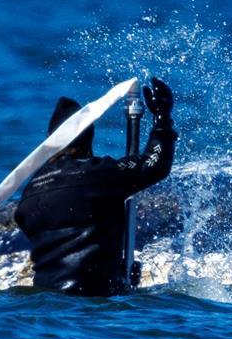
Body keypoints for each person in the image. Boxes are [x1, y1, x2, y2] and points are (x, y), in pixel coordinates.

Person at [14, 78, 177, 296]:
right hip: (90, 302)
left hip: (46, 301)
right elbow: (153, 166)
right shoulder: (93, 175)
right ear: (87, 139)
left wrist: (119, 271)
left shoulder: (31, 192)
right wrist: (162, 120)